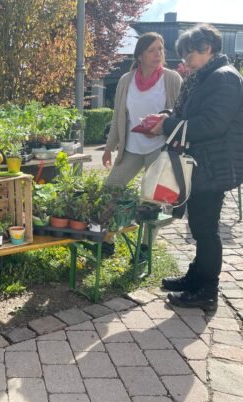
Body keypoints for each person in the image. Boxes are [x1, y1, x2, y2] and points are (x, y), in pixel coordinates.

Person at [150, 24, 243, 311]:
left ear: (208, 49)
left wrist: (167, 125)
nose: (186, 60)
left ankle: (207, 290)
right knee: (200, 226)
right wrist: (167, 116)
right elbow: (193, 115)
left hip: (213, 164)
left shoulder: (224, 78)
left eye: (190, 53)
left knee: (205, 229)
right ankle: (196, 277)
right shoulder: (205, 77)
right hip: (202, 163)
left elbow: (211, 124)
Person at [102, 32, 183, 255]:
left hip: (159, 148)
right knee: (110, 189)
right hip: (131, 148)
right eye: (152, 50)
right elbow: (119, 116)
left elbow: (181, 113)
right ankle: (107, 239)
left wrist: (162, 126)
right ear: (139, 55)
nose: (159, 54)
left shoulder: (171, 78)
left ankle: (145, 248)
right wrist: (109, 147)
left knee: (151, 201)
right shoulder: (126, 81)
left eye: (161, 49)